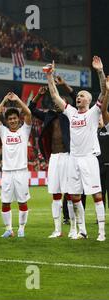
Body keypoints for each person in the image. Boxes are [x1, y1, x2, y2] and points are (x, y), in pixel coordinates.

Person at [46, 60, 109, 241]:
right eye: (78, 96)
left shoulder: (93, 113)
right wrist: (50, 77)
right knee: (74, 196)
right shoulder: (71, 112)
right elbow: (55, 96)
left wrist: (100, 72)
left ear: (89, 100)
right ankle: (82, 230)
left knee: (97, 194)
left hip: (88, 159)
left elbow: (104, 93)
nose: (79, 97)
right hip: (73, 159)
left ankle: (102, 233)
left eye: (82, 96)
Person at [28, 86, 77, 238]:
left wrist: (66, 87)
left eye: (59, 101)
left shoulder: (71, 115)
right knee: (55, 193)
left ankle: (74, 229)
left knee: (70, 193)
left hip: (68, 156)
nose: (56, 103)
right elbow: (31, 108)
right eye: (54, 101)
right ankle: (57, 230)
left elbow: (77, 100)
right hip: (54, 158)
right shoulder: (49, 115)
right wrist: (38, 95)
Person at [0, 92, 33, 238]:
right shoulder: (3, 131)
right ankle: (9, 229)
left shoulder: (24, 130)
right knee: (5, 202)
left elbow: (28, 113)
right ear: (7, 121)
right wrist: (4, 100)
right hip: (7, 172)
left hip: (21, 171)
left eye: (15, 118)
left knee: (22, 202)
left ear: (18, 119)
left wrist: (17, 100)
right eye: (10, 119)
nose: (13, 120)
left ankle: (21, 228)